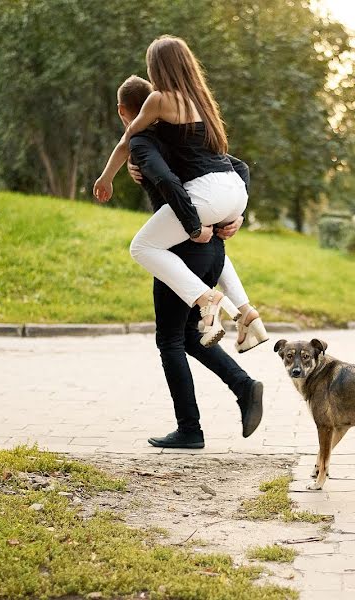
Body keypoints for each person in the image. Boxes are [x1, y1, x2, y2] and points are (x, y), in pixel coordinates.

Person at [115, 75, 264, 449]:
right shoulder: (188, 136)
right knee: (188, 339)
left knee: (169, 340)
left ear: (124, 112)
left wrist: (138, 167)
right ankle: (244, 387)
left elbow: (165, 181)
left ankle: (190, 430)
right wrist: (236, 214)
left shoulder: (146, 141)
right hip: (212, 248)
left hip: (184, 247)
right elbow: (237, 168)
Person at [93, 36, 268, 352]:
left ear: (157, 68)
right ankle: (245, 312)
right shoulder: (203, 100)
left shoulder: (158, 99)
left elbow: (129, 139)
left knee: (142, 246)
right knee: (211, 240)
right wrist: (238, 214)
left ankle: (206, 298)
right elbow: (227, 159)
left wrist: (107, 177)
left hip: (208, 193)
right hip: (234, 188)